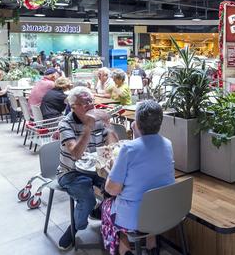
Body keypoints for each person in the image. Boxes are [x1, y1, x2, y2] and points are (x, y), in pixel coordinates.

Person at [102, 100, 175, 255]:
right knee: (150, 196)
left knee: (107, 205)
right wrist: (137, 134)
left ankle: (124, 247)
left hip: (135, 218)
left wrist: (112, 168)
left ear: (136, 123)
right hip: (163, 210)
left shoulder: (128, 149)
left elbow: (112, 190)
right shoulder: (167, 144)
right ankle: (151, 243)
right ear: (160, 122)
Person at [56, 87, 118, 250]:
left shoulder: (97, 119)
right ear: (74, 106)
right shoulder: (65, 123)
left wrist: (108, 125)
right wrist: (88, 129)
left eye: (91, 101)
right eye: (85, 102)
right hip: (70, 172)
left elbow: (113, 147)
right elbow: (75, 154)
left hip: (96, 170)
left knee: (117, 188)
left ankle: (105, 218)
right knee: (88, 198)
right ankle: (74, 228)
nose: (90, 105)